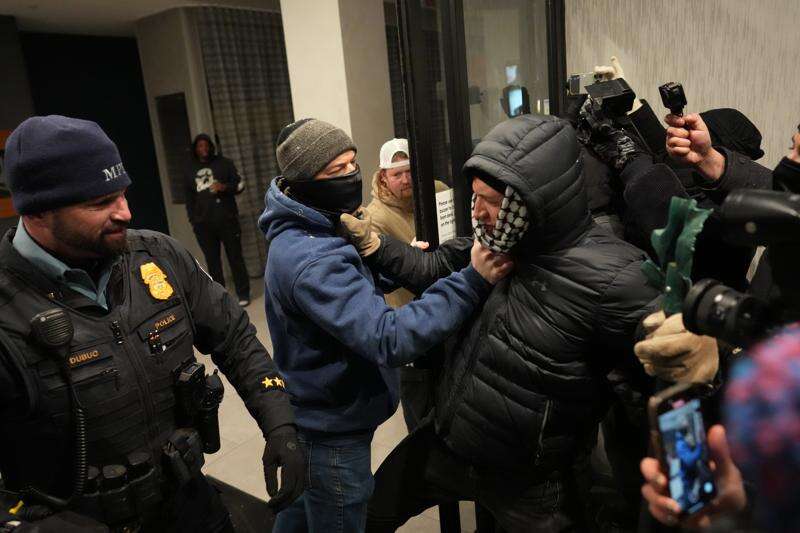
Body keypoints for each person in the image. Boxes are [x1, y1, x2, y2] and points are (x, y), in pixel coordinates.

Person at [342, 114, 661, 532]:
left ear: (536, 200)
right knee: (372, 511)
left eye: (491, 201)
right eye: (475, 198)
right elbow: (430, 267)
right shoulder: (498, 242)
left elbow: (672, 380)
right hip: (451, 442)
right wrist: (375, 244)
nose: (478, 213)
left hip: (529, 481)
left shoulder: (615, 278)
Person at [0, 116, 304, 532]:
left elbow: (233, 336)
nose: (125, 212)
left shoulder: (158, 255)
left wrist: (279, 419)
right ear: (39, 211)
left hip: (190, 504)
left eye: (122, 193)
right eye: (100, 203)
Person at [257, 118, 511, 533]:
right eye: (336, 170)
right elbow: (389, 338)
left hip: (318, 419)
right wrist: (472, 280)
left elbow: (347, 290)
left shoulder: (320, 225)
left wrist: (395, 263)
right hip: (332, 434)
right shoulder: (312, 258)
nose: (350, 176)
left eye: (352, 163)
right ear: (304, 181)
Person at [184, 133, 250, 306]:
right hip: (203, 224)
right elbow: (189, 198)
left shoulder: (224, 163)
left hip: (227, 219)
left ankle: (243, 293)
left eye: (206, 145)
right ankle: (221, 298)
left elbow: (240, 185)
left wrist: (225, 187)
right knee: (212, 262)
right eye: (200, 146)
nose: (204, 149)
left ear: (211, 146)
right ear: (195, 149)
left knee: (235, 257)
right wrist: (193, 220)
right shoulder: (189, 169)